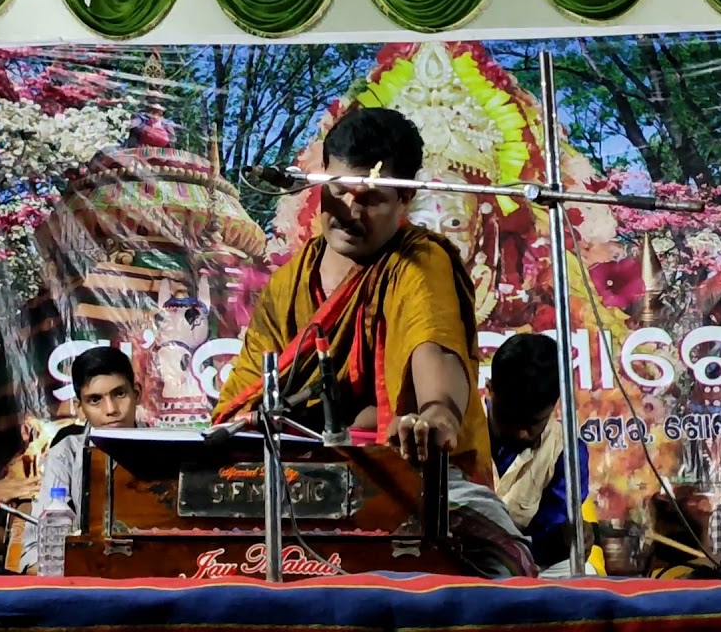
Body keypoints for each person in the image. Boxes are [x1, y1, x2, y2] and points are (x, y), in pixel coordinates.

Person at [213, 107, 535, 578]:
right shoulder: (288, 284)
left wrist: (435, 415)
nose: (349, 211)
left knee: (498, 558)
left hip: (401, 468)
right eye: (337, 190)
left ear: (406, 197)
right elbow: (241, 402)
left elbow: (433, 350)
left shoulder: (418, 262)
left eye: (371, 199)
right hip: (295, 476)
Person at [486, 332, 597, 577]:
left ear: (555, 404)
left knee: (582, 574)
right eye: (511, 418)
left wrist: (565, 538)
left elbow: (546, 537)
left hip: (531, 561)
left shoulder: (566, 452)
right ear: (489, 390)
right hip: (462, 558)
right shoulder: (460, 431)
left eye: (534, 423)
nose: (522, 433)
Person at [20, 346, 138, 573]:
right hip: (85, 579)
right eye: (95, 400)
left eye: (119, 394)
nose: (111, 409)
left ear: (137, 394)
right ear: (80, 408)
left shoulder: (167, 448)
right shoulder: (65, 453)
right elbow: (37, 557)